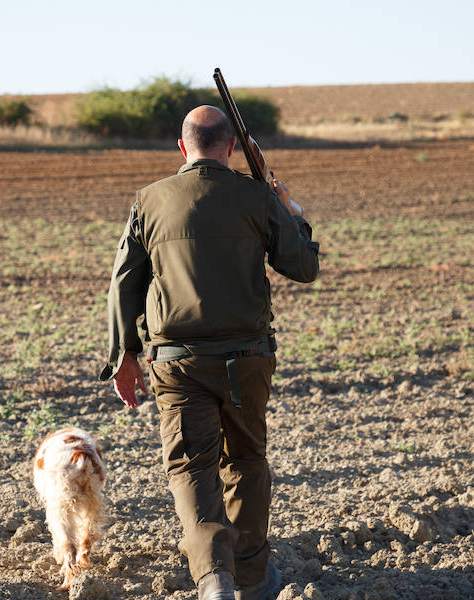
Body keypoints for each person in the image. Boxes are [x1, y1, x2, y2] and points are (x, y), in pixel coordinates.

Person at [99, 105, 320, 600]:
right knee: (245, 459)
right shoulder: (256, 196)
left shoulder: (149, 200)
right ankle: (252, 580)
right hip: (248, 358)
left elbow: (123, 285)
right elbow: (303, 266)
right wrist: (289, 210)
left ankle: (213, 578)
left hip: (176, 363)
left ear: (182, 148)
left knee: (191, 469)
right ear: (233, 147)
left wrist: (124, 355)